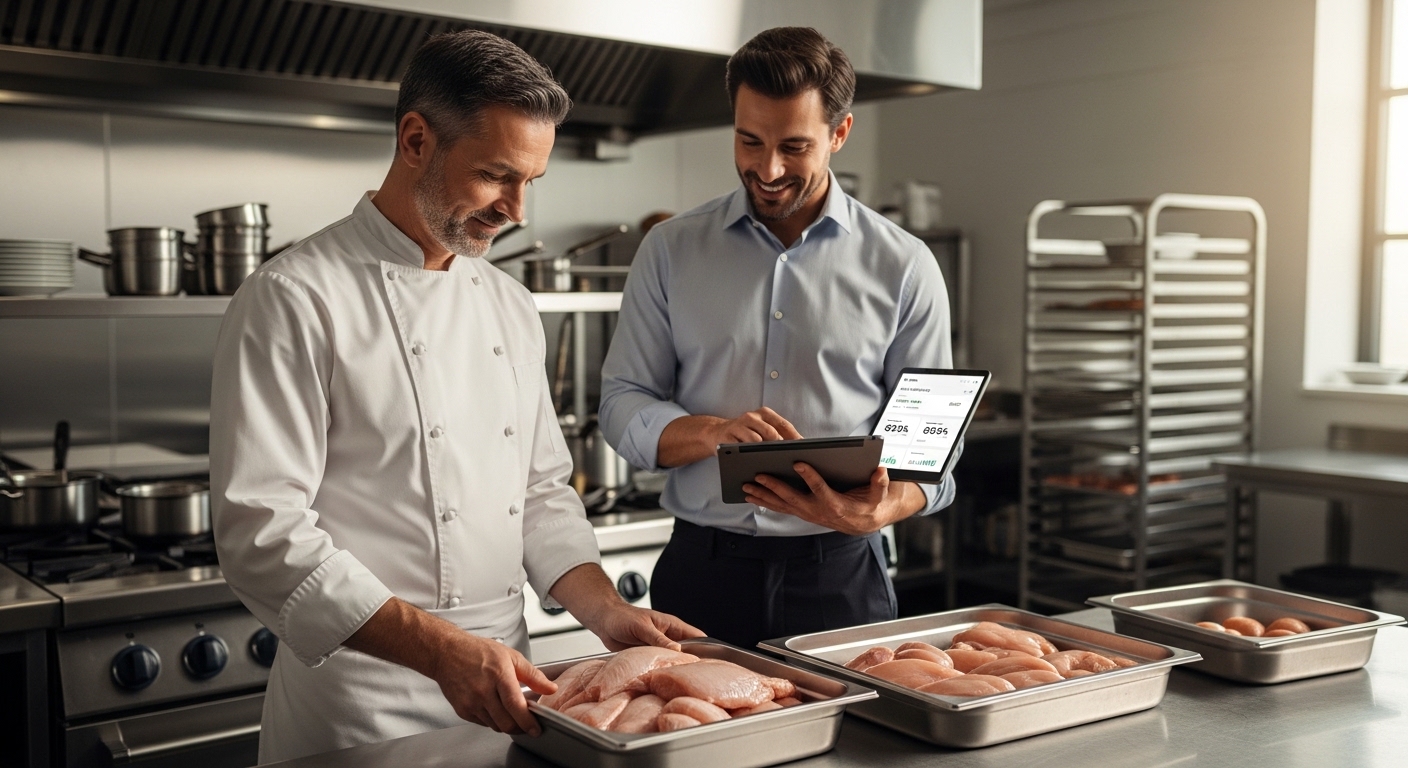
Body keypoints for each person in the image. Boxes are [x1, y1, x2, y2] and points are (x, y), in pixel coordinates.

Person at [210, 30, 701, 764]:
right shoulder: (293, 298)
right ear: (415, 140)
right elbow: (262, 532)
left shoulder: (509, 304)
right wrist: (441, 652)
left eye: (532, 180)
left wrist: (607, 611)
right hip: (358, 697)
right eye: (498, 175)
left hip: (505, 686)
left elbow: (538, 491)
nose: (519, 210)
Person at [599, 27, 957, 649]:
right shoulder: (670, 250)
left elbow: (930, 457)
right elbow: (622, 401)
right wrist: (711, 432)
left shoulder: (905, 264)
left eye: (794, 146)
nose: (767, 169)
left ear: (839, 134)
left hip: (843, 575)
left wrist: (882, 508)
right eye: (749, 140)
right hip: (701, 573)